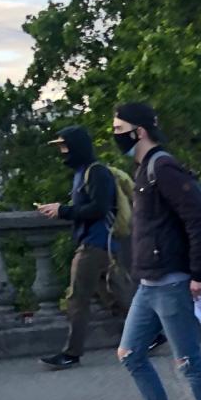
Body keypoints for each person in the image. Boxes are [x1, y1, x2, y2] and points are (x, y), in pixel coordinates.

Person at [115, 102, 201, 400]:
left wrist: (199, 275)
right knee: (130, 353)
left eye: (120, 128)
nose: (115, 135)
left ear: (140, 131)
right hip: (149, 283)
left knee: (187, 361)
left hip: (173, 280)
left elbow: (197, 218)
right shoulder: (144, 169)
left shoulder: (162, 167)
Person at [35, 125, 133, 370]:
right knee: (115, 297)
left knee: (77, 298)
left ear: (77, 146)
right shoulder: (83, 172)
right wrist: (62, 208)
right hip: (96, 243)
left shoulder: (96, 172)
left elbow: (99, 209)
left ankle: (71, 353)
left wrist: (63, 210)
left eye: (64, 146)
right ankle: (153, 333)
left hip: (96, 244)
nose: (62, 152)